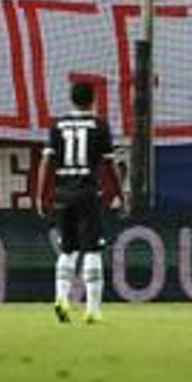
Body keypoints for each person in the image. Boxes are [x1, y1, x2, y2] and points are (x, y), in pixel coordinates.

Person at [34, 81, 117, 324]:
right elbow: (110, 164)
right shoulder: (100, 125)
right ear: (93, 99)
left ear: (71, 99)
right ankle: (92, 309)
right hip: (88, 194)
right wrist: (121, 194)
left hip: (63, 194)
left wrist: (40, 195)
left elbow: (46, 163)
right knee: (92, 250)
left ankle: (61, 298)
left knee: (67, 250)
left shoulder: (57, 125)